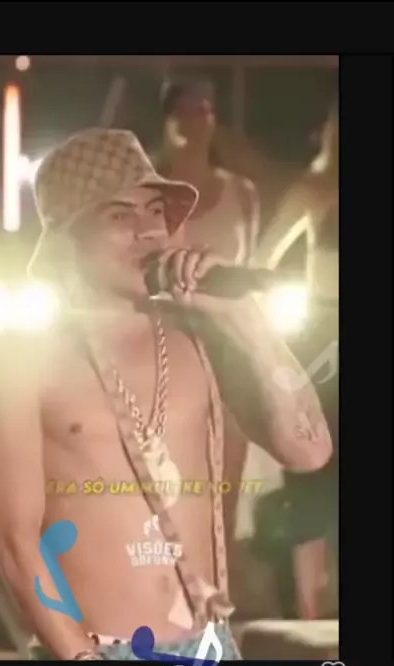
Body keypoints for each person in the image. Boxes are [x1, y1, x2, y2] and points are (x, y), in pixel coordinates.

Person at [0, 128, 332, 661]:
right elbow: (15, 542)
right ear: (66, 237)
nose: (149, 231)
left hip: (209, 651)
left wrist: (247, 321)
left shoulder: (203, 335)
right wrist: (82, 663)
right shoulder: (19, 358)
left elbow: (310, 450)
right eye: (120, 216)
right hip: (96, 654)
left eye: (156, 211)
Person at [155, 78, 261, 551]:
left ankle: (222, 573)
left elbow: (249, 265)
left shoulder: (242, 192)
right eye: (185, 110)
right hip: (167, 342)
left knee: (228, 473)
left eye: (204, 110)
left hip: (230, 344)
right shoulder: (149, 194)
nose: (196, 120)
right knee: (170, 471)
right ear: (167, 120)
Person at [254, 101, 339, 619]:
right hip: (322, 339)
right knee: (311, 464)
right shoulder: (315, 189)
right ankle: (309, 610)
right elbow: (262, 259)